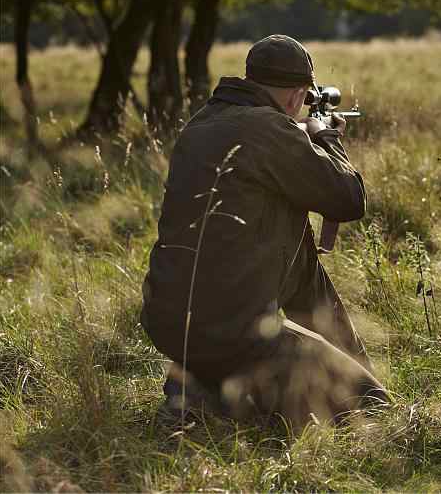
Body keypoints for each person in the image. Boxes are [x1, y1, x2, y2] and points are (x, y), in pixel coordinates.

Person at [140, 34, 388, 428]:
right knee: (373, 407)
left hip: (168, 322)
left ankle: (197, 389)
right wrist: (326, 138)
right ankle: (219, 395)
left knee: (291, 264)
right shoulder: (271, 129)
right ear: (295, 96)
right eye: (304, 97)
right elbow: (348, 199)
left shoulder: (200, 123)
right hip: (237, 329)